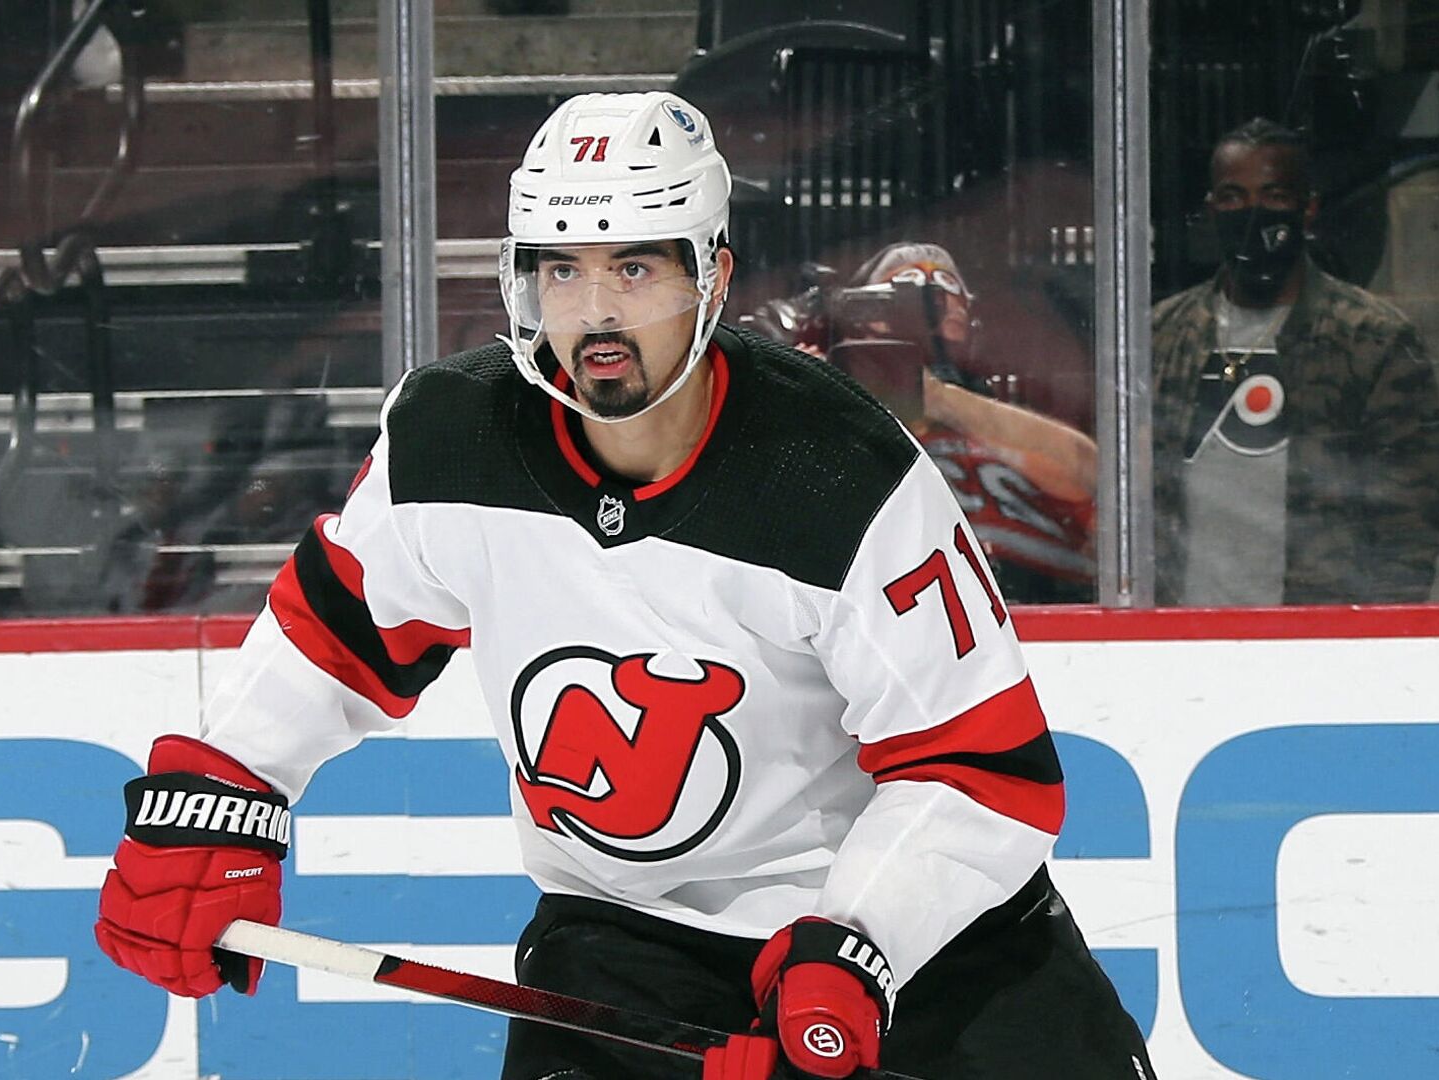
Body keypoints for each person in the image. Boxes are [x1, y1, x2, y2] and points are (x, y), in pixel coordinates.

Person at [92, 92, 1155, 1080]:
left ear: (714, 277)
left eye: (635, 269)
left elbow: (982, 773)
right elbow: (338, 628)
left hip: (916, 950)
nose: (595, 313)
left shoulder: (841, 477)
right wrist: (223, 789)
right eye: (563, 271)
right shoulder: (450, 440)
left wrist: (853, 952)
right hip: (621, 947)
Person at [1151, 117, 1439, 606]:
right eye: (1232, 197)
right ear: (1211, 209)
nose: (1252, 214)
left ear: (1307, 209)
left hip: (1317, 639)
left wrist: (1379, 643)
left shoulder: (1372, 340)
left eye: (1273, 197)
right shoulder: (1162, 336)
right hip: (1183, 636)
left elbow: (1409, 526)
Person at [749, 242, 1099, 602]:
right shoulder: (831, 415)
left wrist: (937, 397)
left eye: (945, 285)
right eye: (900, 292)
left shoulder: (1011, 424)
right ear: (860, 315)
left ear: (970, 317)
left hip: (1032, 616)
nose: (930, 299)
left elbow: (1092, 475)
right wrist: (798, 393)